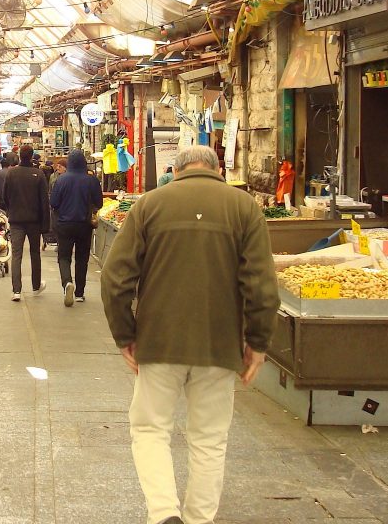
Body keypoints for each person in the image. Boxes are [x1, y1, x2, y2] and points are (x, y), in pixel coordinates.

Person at [101, 144, 280, 524]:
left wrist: (124, 335)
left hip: (158, 340)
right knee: (210, 438)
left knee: (150, 429)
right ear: (216, 169)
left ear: (176, 170)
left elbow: (115, 278)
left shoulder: (149, 205)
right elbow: (262, 285)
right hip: (220, 343)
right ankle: (199, 518)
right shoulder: (244, 207)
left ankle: (165, 513)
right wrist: (258, 344)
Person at [49, 149, 104, 306]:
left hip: (64, 225)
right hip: (84, 225)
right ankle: (80, 292)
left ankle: (67, 283)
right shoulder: (91, 180)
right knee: (82, 258)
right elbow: (99, 203)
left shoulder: (61, 180)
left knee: (64, 257)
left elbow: (53, 203)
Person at [1, 145, 50, 301]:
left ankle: (16, 290)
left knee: (16, 255)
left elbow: (5, 196)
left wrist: (11, 210)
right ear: (32, 156)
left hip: (16, 220)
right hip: (34, 221)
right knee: (35, 253)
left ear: (20, 156)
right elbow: (44, 201)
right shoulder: (39, 174)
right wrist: (45, 225)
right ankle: (36, 286)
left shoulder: (11, 173)